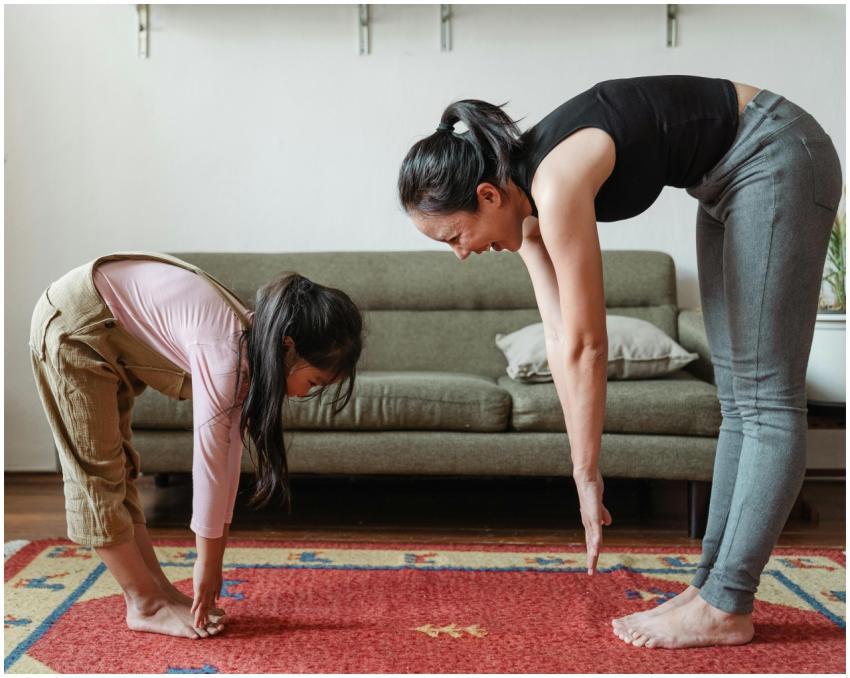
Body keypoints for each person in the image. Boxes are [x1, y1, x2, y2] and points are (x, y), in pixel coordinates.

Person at [397, 75, 842, 649]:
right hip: (722, 181)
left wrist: (589, 470)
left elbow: (589, 343)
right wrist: (579, 467)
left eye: (453, 237)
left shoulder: (554, 185)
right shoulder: (526, 209)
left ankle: (727, 603)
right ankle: (710, 588)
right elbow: (559, 338)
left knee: (766, 399)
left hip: (775, 154)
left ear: (487, 195)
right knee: (739, 401)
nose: (460, 254)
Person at [29, 251, 363, 639]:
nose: (306, 395)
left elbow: (229, 456)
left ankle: (158, 593)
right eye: (315, 383)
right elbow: (209, 462)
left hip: (106, 328)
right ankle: (145, 603)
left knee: (120, 468)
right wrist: (206, 563)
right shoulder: (225, 353)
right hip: (74, 325)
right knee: (97, 477)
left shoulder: (252, 350)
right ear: (289, 347)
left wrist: (214, 559)